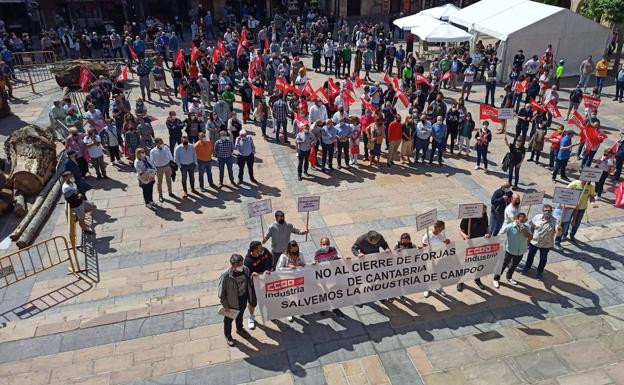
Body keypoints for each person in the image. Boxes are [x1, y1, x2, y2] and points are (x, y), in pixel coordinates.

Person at [218, 254, 254, 346]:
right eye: (239, 263)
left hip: (243, 298)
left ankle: (240, 329)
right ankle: (228, 335)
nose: (242, 265)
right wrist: (225, 306)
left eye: (242, 262)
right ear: (233, 264)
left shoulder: (245, 269)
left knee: (240, 314)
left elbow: (248, 282)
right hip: (231, 302)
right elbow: (221, 293)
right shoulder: (226, 276)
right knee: (228, 320)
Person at [493, 213, 532, 287]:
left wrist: (524, 231)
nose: (522, 223)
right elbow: (500, 234)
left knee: (514, 265)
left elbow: (530, 238)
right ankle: (496, 279)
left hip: (520, 251)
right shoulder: (510, 226)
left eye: (524, 221)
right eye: (521, 220)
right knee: (503, 265)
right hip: (509, 250)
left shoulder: (527, 227)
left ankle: (509, 277)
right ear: (517, 219)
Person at [457, 205, 490, 291]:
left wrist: (488, 233)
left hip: (480, 243)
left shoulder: (484, 216)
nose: (484, 212)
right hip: (469, 244)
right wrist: (465, 236)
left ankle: (477, 279)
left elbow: (487, 227)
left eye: (485, 211)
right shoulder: (468, 217)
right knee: (465, 264)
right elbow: (460, 230)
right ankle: (460, 281)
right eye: (483, 211)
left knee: (479, 263)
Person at [243, 241, 273, 330]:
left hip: (265, 282)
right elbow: (246, 274)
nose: (262, 248)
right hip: (253, 285)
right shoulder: (248, 260)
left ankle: (270, 313)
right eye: (260, 248)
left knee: (268, 298)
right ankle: (252, 317)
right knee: (252, 302)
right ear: (254, 250)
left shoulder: (265, 252)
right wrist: (252, 275)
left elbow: (271, 259)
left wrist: (269, 269)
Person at [556, 179, 596, 245]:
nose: (587, 181)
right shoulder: (575, 183)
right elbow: (566, 192)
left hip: (581, 208)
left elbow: (591, 196)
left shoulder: (591, 187)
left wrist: (592, 203)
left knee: (576, 223)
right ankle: (564, 235)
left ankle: (572, 235)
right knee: (566, 222)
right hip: (570, 207)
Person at [523, 205, 556, 279]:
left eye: (549, 211)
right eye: (545, 210)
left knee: (543, 259)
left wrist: (560, 229)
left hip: (546, 244)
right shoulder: (537, 217)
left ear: (551, 212)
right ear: (542, 211)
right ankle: (527, 267)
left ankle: (539, 272)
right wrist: (529, 237)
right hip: (535, 241)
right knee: (530, 255)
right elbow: (531, 226)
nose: (547, 212)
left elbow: (558, 231)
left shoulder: (555, 221)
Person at [276, 241, 306, 322]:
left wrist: (303, 265)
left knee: (299, 295)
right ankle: (289, 313)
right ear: (289, 249)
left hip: (298, 279)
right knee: (289, 296)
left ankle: (299, 309)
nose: (295, 252)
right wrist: (289, 268)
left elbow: (304, 264)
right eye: (292, 251)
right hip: (287, 279)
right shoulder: (284, 256)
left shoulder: (301, 254)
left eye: (296, 250)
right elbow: (278, 269)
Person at [62, 171, 96, 235]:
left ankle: (78, 216)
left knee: (93, 206)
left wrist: (79, 195)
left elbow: (76, 192)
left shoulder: (72, 183)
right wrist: (79, 195)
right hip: (77, 205)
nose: (72, 177)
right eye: (70, 176)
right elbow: (71, 199)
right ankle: (86, 230)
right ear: (66, 178)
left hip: (81, 202)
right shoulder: (66, 188)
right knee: (81, 220)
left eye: (72, 176)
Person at [421, 221, 450, 297]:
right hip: (430, 258)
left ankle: (438, 288)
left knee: (438, 272)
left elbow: (444, 241)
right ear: (436, 227)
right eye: (442, 227)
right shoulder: (427, 236)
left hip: (439, 257)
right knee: (429, 273)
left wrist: (447, 241)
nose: (443, 229)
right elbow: (424, 247)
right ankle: (427, 288)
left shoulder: (442, 234)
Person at [150, 138, 174, 202]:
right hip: (159, 168)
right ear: (156, 143)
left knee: (169, 180)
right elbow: (152, 161)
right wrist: (155, 169)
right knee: (159, 182)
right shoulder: (153, 151)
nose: (162, 143)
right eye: (160, 142)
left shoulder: (166, 148)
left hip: (167, 166)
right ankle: (160, 195)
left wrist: (172, 165)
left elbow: (170, 156)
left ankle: (170, 192)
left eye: (162, 142)